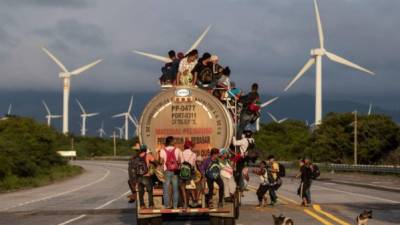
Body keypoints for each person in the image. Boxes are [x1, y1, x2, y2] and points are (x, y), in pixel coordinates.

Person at [160, 136, 183, 209]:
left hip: (166, 171)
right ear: (171, 142)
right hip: (175, 171)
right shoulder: (178, 150)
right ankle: (175, 206)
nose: (175, 142)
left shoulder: (162, 150)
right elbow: (181, 161)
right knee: (175, 189)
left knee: (166, 189)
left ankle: (167, 205)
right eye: (174, 140)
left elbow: (161, 162)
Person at [179, 140, 197, 208]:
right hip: (190, 173)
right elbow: (194, 165)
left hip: (182, 172)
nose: (192, 147)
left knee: (183, 188)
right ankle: (194, 201)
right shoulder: (194, 154)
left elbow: (179, 163)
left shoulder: (181, 153)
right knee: (190, 187)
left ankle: (185, 204)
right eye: (192, 146)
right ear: (190, 146)